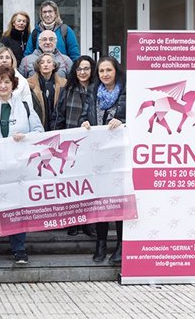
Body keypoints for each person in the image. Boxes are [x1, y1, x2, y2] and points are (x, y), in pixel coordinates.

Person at [0, 65, 43, 265]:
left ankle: (19, 248)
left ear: (13, 83)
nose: (3, 85)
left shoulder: (24, 106)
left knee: (16, 207)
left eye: (7, 81)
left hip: (16, 168)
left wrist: (26, 137)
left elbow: (40, 131)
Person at [80, 56, 126, 265]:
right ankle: (100, 243)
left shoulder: (126, 93)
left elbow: (138, 118)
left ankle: (120, 245)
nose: (105, 74)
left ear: (116, 71)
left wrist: (123, 121)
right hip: (98, 156)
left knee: (118, 201)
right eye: (101, 71)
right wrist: (85, 123)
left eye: (108, 70)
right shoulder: (92, 93)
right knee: (100, 201)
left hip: (120, 156)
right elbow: (83, 117)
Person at [52, 55, 97, 237]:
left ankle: (88, 222)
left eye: (86, 69)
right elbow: (59, 115)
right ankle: (73, 221)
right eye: (79, 69)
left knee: (88, 184)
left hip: (91, 145)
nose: (83, 72)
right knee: (71, 184)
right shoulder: (67, 89)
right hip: (70, 144)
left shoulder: (97, 90)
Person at [27, 53, 67, 131]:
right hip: (37, 127)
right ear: (38, 66)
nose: (45, 65)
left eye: (49, 62)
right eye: (42, 63)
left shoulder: (64, 84)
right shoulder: (29, 84)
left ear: (54, 66)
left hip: (58, 127)